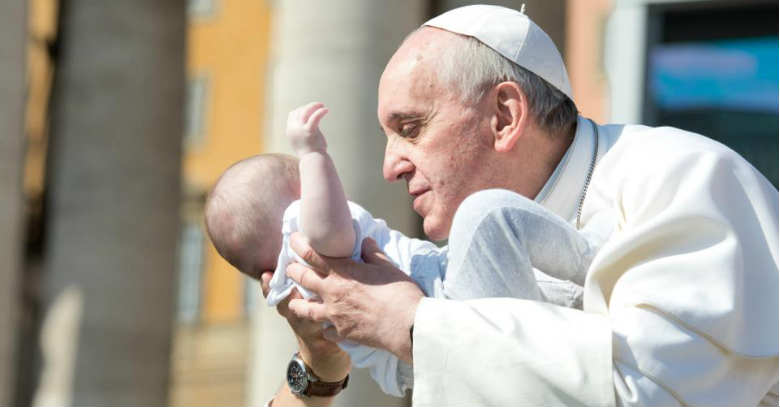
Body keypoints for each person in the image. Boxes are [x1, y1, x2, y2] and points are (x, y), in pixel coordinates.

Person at [266, 4, 779, 406]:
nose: (390, 167)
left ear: (505, 116)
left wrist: (417, 326)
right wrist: (327, 350)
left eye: (411, 129)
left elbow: (652, 395)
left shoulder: (679, 177)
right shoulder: (449, 266)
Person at [206, 101, 599, 397]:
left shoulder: (295, 281)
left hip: (430, 329)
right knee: (483, 215)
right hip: (437, 307)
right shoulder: (303, 231)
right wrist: (312, 155)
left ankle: (594, 296)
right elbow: (330, 233)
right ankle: (599, 261)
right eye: (310, 181)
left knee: (554, 303)